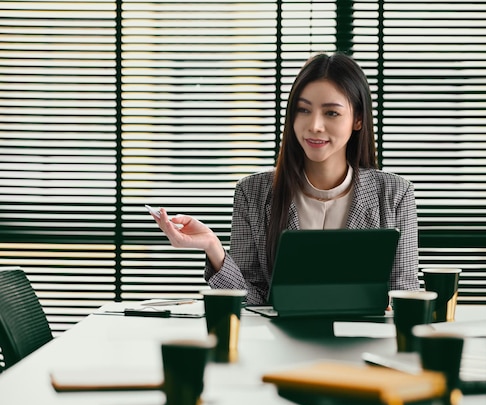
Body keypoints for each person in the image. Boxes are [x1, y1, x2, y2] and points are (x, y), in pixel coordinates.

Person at [151, 52, 419, 305]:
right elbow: (252, 296)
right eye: (303, 110)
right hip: (281, 345)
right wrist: (213, 247)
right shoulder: (252, 192)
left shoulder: (395, 194)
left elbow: (405, 294)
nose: (314, 125)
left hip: (361, 343)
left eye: (331, 113)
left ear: (358, 119)